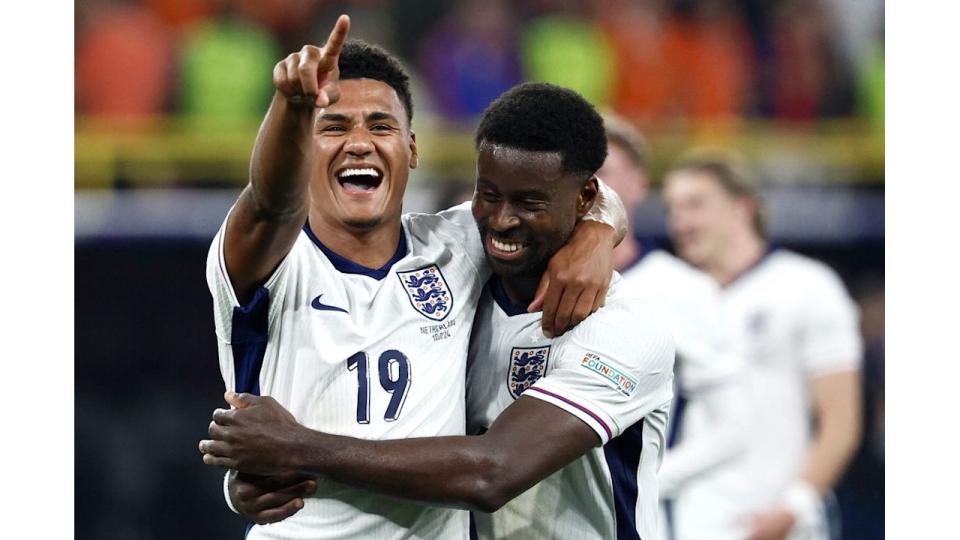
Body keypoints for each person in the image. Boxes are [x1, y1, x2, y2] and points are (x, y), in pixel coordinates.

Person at [204, 15, 625, 539]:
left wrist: (599, 230)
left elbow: (564, 196)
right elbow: (271, 202)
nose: (359, 143)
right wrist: (292, 108)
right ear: (303, 149)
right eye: (333, 127)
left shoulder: (457, 243)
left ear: (412, 149)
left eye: (380, 126)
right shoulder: (270, 263)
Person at [661, 150, 863, 540]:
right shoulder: (668, 298)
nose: (679, 222)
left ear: (743, 209)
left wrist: (793, 508)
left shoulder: (806, 285)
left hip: (781, 523)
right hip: (688, 523)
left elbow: (841, 420)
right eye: (672, 209)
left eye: (695, 205)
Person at [597, 115, 749, 540]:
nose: (591, 183)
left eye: (606, 169)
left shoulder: (681, 289)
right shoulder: (529, 281)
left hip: (634, 522)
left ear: (640, 185)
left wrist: (644, 482)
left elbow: (733, 426)